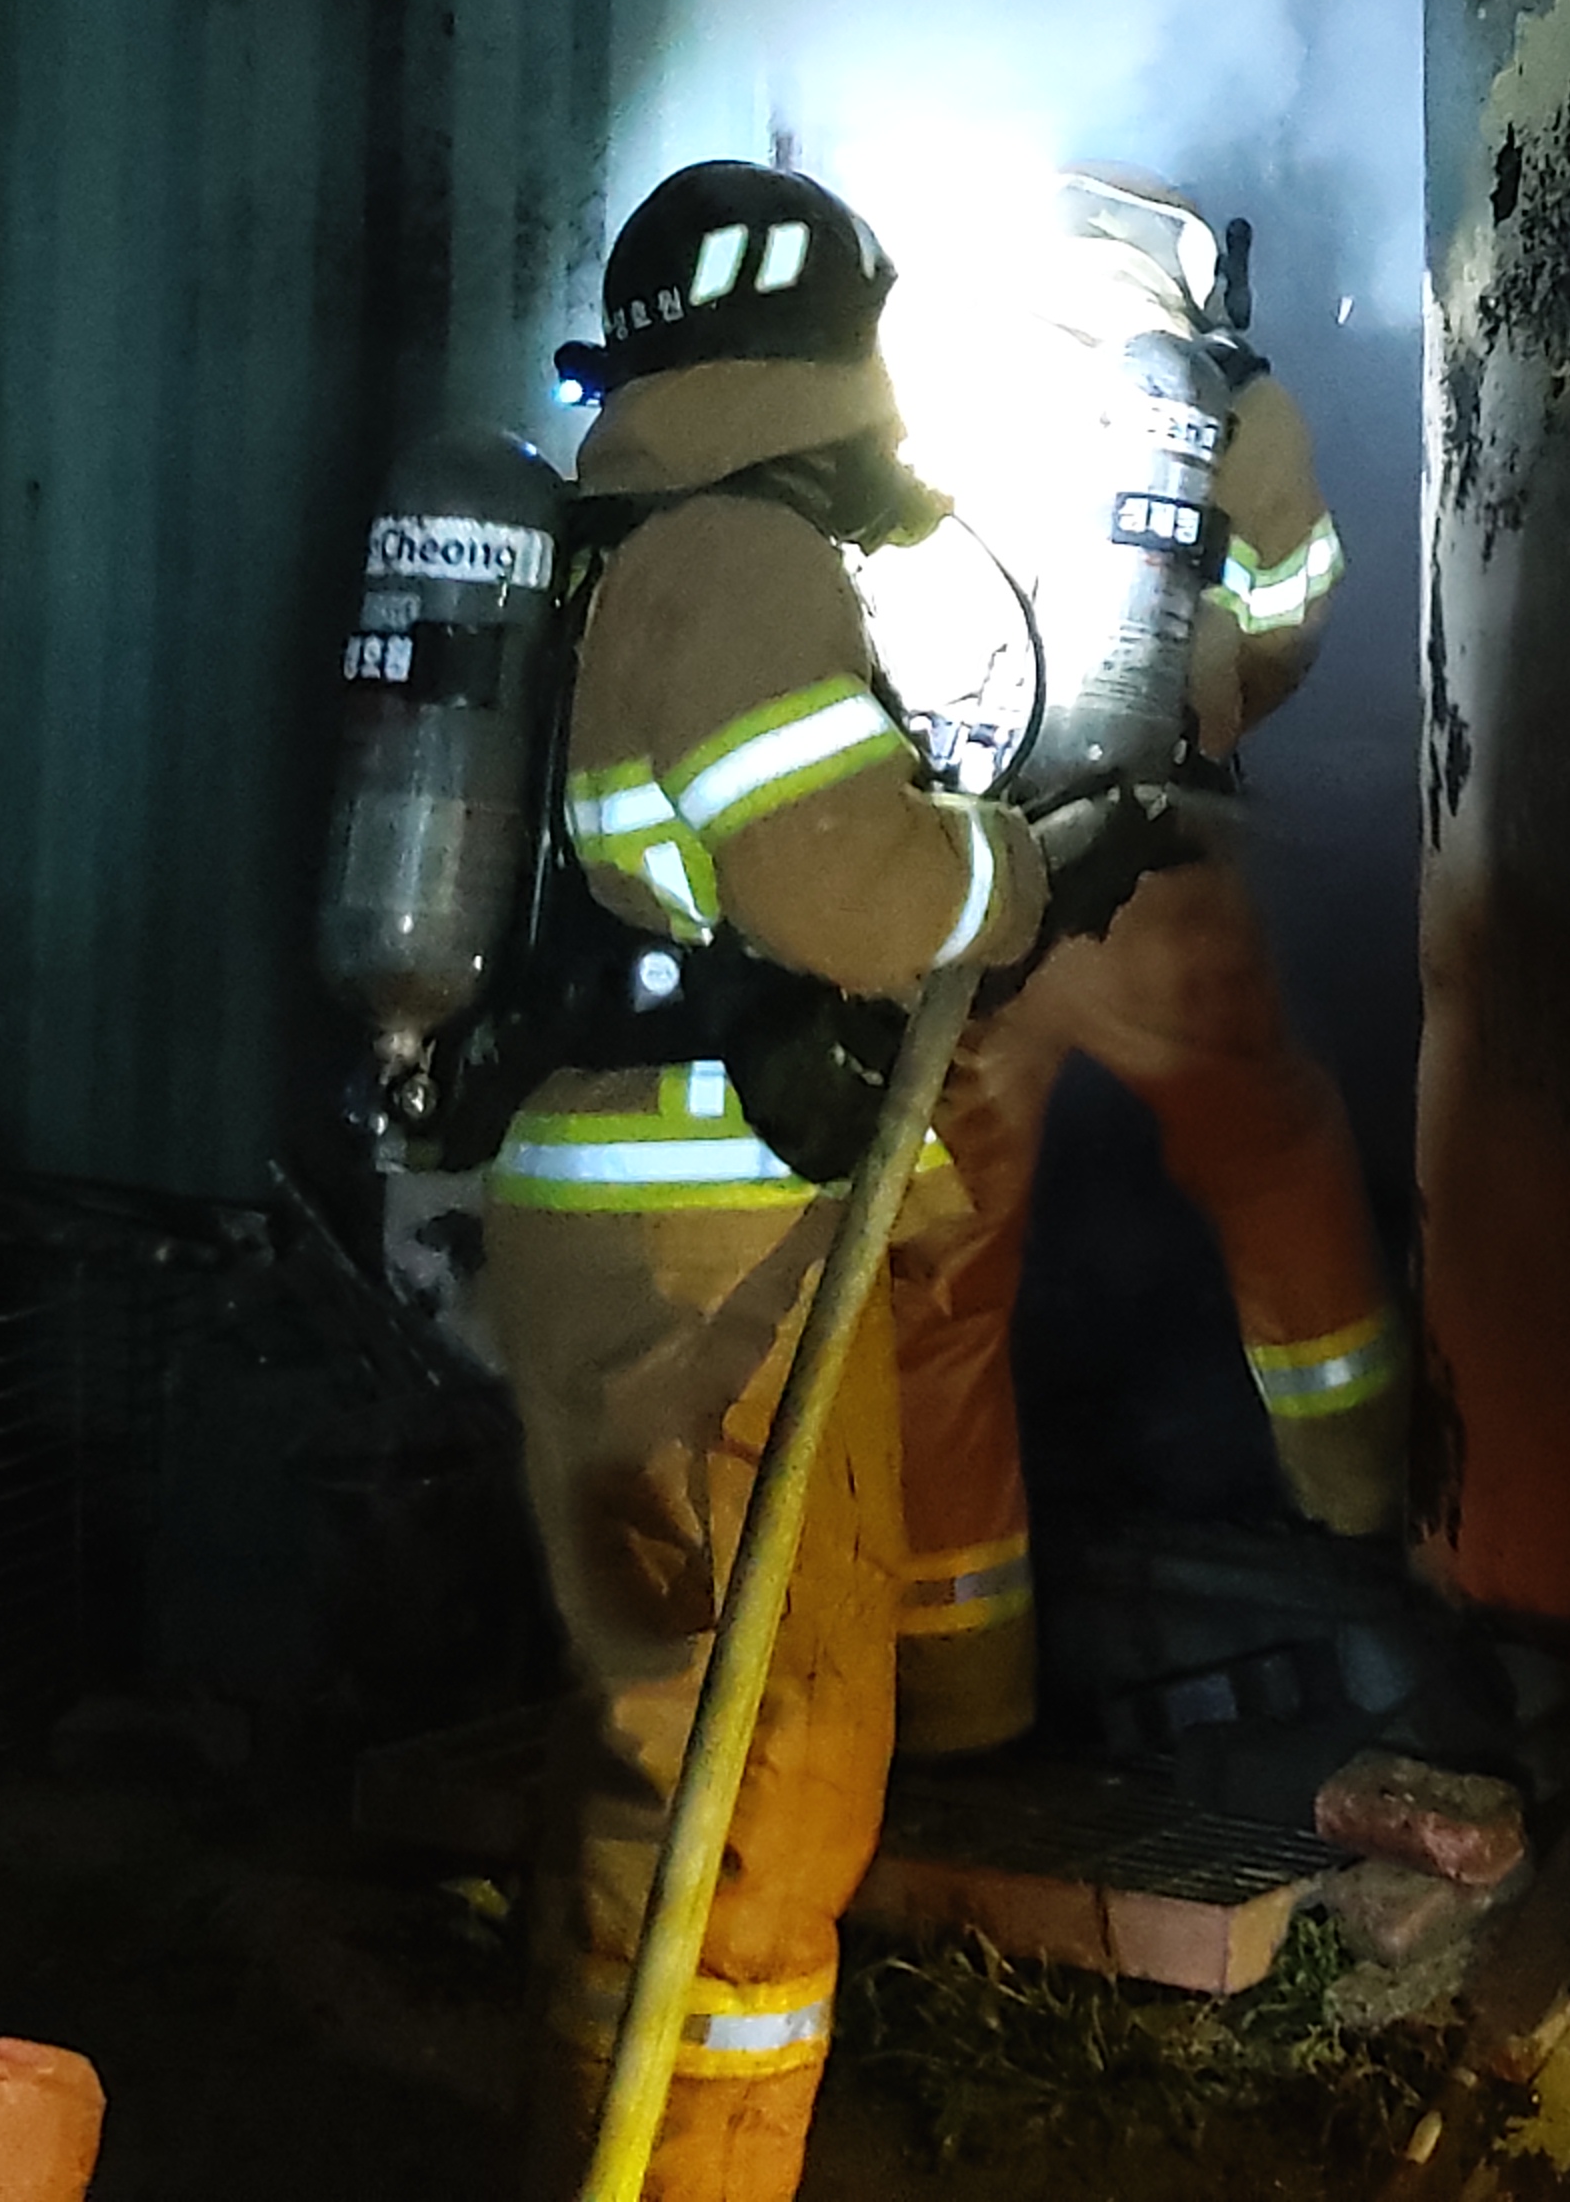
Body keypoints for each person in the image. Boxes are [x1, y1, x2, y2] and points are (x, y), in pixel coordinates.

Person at [482, 158, 1163, 2202]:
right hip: (723, 1261)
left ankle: (597, 2148)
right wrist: (1026, 870)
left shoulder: (603, 549)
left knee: (653, 1738)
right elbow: (854, 891)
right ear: (826, 356)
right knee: (755, 1778)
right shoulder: (737, 562)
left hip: (608, 1234)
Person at [888, 170, 1404, 1763]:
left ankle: (957, 1689)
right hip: (1154, 876)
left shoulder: (925, 366)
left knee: (938, 1273)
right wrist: (1210, 705)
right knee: (1273, 1152)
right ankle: (1362, 1504)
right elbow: (1300, 597)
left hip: (966, 884)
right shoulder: (1220, 396)